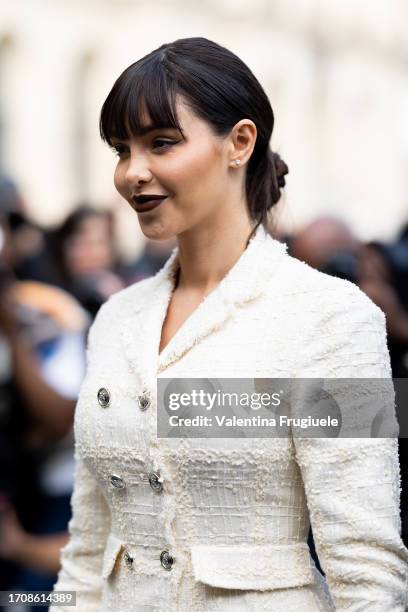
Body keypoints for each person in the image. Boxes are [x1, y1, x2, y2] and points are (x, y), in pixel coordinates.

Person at [51, 37, 408, 611]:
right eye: (122, 150)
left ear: (239, 142)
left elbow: (367, 566)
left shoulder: (338, 318)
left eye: (161, 143)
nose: (132, 173)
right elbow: (87, 548)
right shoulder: (115, 317)